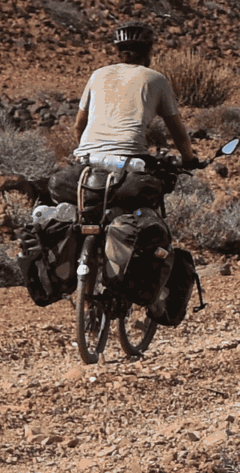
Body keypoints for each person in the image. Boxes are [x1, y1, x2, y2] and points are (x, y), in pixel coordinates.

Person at [69, 22, 199, 299]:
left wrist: (85, 152)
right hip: (129, 162)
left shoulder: (98, 75)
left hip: (88, 161)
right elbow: (176, 129)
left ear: (118, 51)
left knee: (87, 211)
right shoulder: (156, 79)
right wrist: (189, 159)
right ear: (148, 51)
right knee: (144, 217)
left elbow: (79, 125)